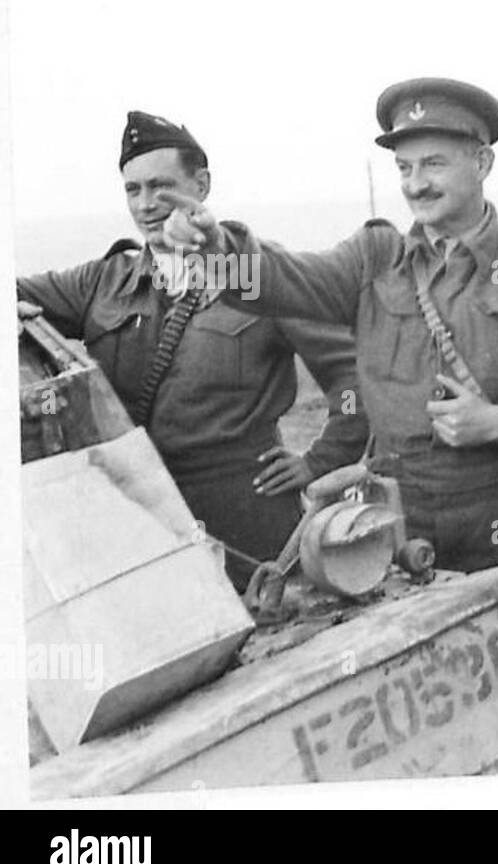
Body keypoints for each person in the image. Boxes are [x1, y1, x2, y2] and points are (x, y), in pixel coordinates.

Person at [151, 79, 498, 572]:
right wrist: (219, 248)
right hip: (389, 531)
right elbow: (287, 280)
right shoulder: (374, 259)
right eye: (404, 168)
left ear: (482, 163)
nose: (416, 184)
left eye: (434, 164)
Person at [16, 111, 369, 590]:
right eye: (132, 190)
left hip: (248, 521)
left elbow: (354, 379)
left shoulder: (257, 277)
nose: (144, 205)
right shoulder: (103, 281)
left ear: (200, 184)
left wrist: (319, 461)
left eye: (159, 187)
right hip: (143, 524)